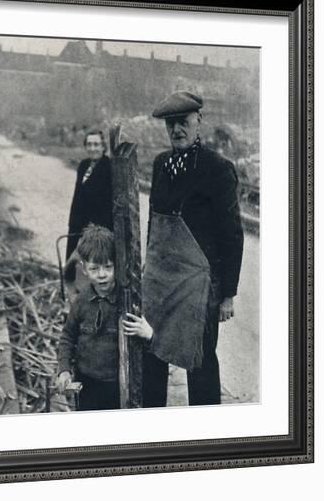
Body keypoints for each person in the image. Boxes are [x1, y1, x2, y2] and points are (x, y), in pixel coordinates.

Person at [142, 91, 244, 407]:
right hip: (162, 283)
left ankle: (205, 430)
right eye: (171, 124)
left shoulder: (217, 168)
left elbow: (232, 234)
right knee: (153, 350)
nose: (177, 130)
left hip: (201, 287)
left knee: (199, 361)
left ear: (198, 121)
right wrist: (149, 267)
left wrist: (227, 293)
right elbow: (154, 225)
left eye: (183, 122)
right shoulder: (161, 164)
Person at [56, 225, 152, 410]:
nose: (102, 275)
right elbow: (67, 337)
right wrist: (64, 369)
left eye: (108, 267)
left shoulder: (129, 303)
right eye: (94, 268)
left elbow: (150, 347)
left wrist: (148, 334)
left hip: (119, 384)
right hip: (86, 382)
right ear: (84, 269)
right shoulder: (81, 301)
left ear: (117, 264)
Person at [65, 130, 114, 283]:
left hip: (96, 229)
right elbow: (78, 195)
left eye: (96, 144)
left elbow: (108, 203)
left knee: (94, 266)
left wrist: (93, 230)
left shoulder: (109, 168)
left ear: (103, 146)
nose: (92, 148)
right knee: (73, 265)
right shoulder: (83, 165)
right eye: (89, 144)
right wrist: (74, 223)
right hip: (77, 224)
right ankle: (73, 296)